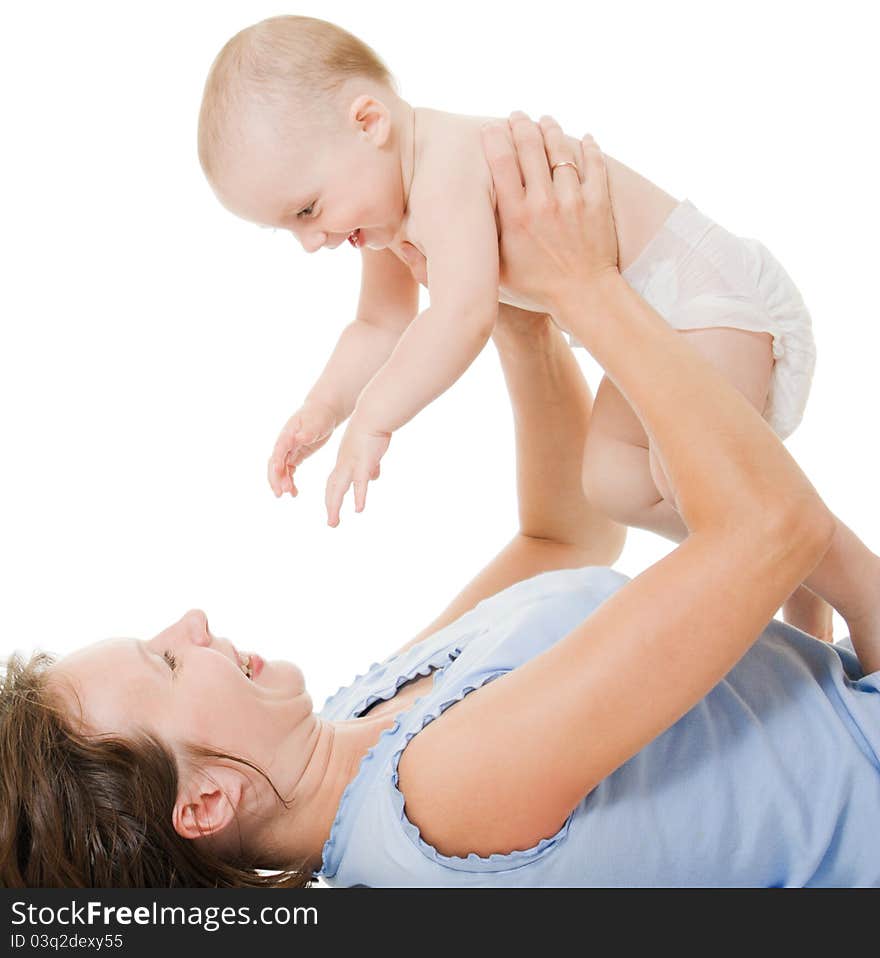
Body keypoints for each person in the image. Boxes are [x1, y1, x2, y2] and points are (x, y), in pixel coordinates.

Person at [2, 117, 878, 888]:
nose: (188, 622)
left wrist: (512, 312)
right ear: (204, 803)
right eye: (165, 665)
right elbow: (775, 531)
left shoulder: (354, 730)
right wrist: (584, 284)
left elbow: (561, 537)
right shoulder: (440, 795)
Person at [197, 14, 880, 646]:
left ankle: (862, 587)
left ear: (369, 120)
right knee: (614, 479)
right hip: (651, 323)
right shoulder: (389, 213)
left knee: (696, 478)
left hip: (707, 299)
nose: (312, 241)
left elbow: (462, 314)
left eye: (308, 209)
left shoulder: (446, 166)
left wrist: (374, 420)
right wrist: (324, 407)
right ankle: (800, 571)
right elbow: (380, 324)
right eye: (289, 227)